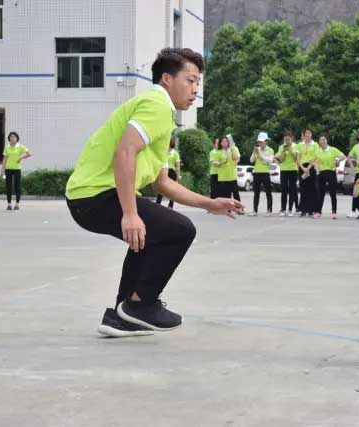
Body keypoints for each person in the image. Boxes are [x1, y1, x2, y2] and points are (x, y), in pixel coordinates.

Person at [65, 47, 243, 338]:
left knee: (149, 236)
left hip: (87, 197)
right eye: (190, 80)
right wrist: (130, 214)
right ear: (166, 79)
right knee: (180, 230)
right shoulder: (157, 103)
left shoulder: (161, 113)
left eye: (198, 82)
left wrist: (209, 203)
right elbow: (125, 152)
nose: (195, 89)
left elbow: (162, 183)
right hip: (96, 195)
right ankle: (141, 305)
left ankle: (122, 316)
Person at [314, 135, 345, 219]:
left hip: (331, 172)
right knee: (321, 194)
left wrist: (338, 160)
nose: (322, 141)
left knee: (333, 193)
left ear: (327, 140)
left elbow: (343, 156)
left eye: (324, 139)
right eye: (321, 140)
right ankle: (318, 212)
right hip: (321, 173)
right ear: (319, 142)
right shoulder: (317, 151)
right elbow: (314, 160)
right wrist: (316, 166)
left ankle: (334, 212)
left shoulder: (332, 149)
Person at [1, 131, 31, 211]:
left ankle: (17, 204)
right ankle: (9, 204)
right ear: (9, 138)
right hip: (8, 169)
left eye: (14, 137)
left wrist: (21, 158)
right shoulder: (7, 147)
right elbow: (5, 158)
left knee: (17, 186)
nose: (12, 138)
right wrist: (3, 168)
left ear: (17, 138)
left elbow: (29, 154)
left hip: (17, 169)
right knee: (8, 187)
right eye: (11, 137)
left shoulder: (20, 146)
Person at [249, 131, 274, 216]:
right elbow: (251, 160)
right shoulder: (257, 149)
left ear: (266, 141)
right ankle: (255, 211)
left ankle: (269, 211)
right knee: (256, 193)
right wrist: (254, 153)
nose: (260, 143)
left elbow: (269, 161)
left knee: (268, 192)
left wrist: (260, 154)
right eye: (259, 142)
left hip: (265, 173)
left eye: (262, 142)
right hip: (256, 173)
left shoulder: (270, 150)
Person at [275, 130, 299, 216]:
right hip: (284, 170)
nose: (287, 141)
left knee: (292, 190)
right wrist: (284, 152)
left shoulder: (296, 146)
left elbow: (296, 158)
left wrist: (290, 149)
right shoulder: (281, 147)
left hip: (293, 170)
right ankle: (283, 209)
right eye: (285, 139)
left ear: (292, 138)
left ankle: (290, 209)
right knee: (284, 190)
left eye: (288, 139)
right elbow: (281, 160)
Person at [295, 129, 319, 217]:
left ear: (311, 134)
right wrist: (303, 168)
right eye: (306, 133)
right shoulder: (299, 145)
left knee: (311, 189)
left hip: (311, 167)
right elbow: (298, 158)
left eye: (309, 133)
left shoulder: (315, 144)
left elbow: (316, 157)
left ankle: (311, 210)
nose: (307, 135)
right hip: (302, 167)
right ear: (304, 135)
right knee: (303, 189)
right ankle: (303, 209)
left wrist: (308, 168)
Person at [156, 136, 180, 208]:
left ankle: (170, 205)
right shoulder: (164, 152)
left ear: (170, 143)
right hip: (164, 171)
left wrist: (177, 177)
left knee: (172, 189)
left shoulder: (175, 153)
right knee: (161, 188)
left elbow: (178, 166)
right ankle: (158, 204)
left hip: (172, 172)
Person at [216, 136, 241, 201]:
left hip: (232, 176)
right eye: (223, 142)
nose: (225, 143)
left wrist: (232, 150)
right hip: (223, 177)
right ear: (220, 143)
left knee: (236, 195)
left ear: (228, 142)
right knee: (225, 196)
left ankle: (239, 207)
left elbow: (237, 159)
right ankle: (227, 207)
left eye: (226, 141)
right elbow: (215, 163)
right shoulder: (218, 152)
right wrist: (221, 163)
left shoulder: (234, 149)